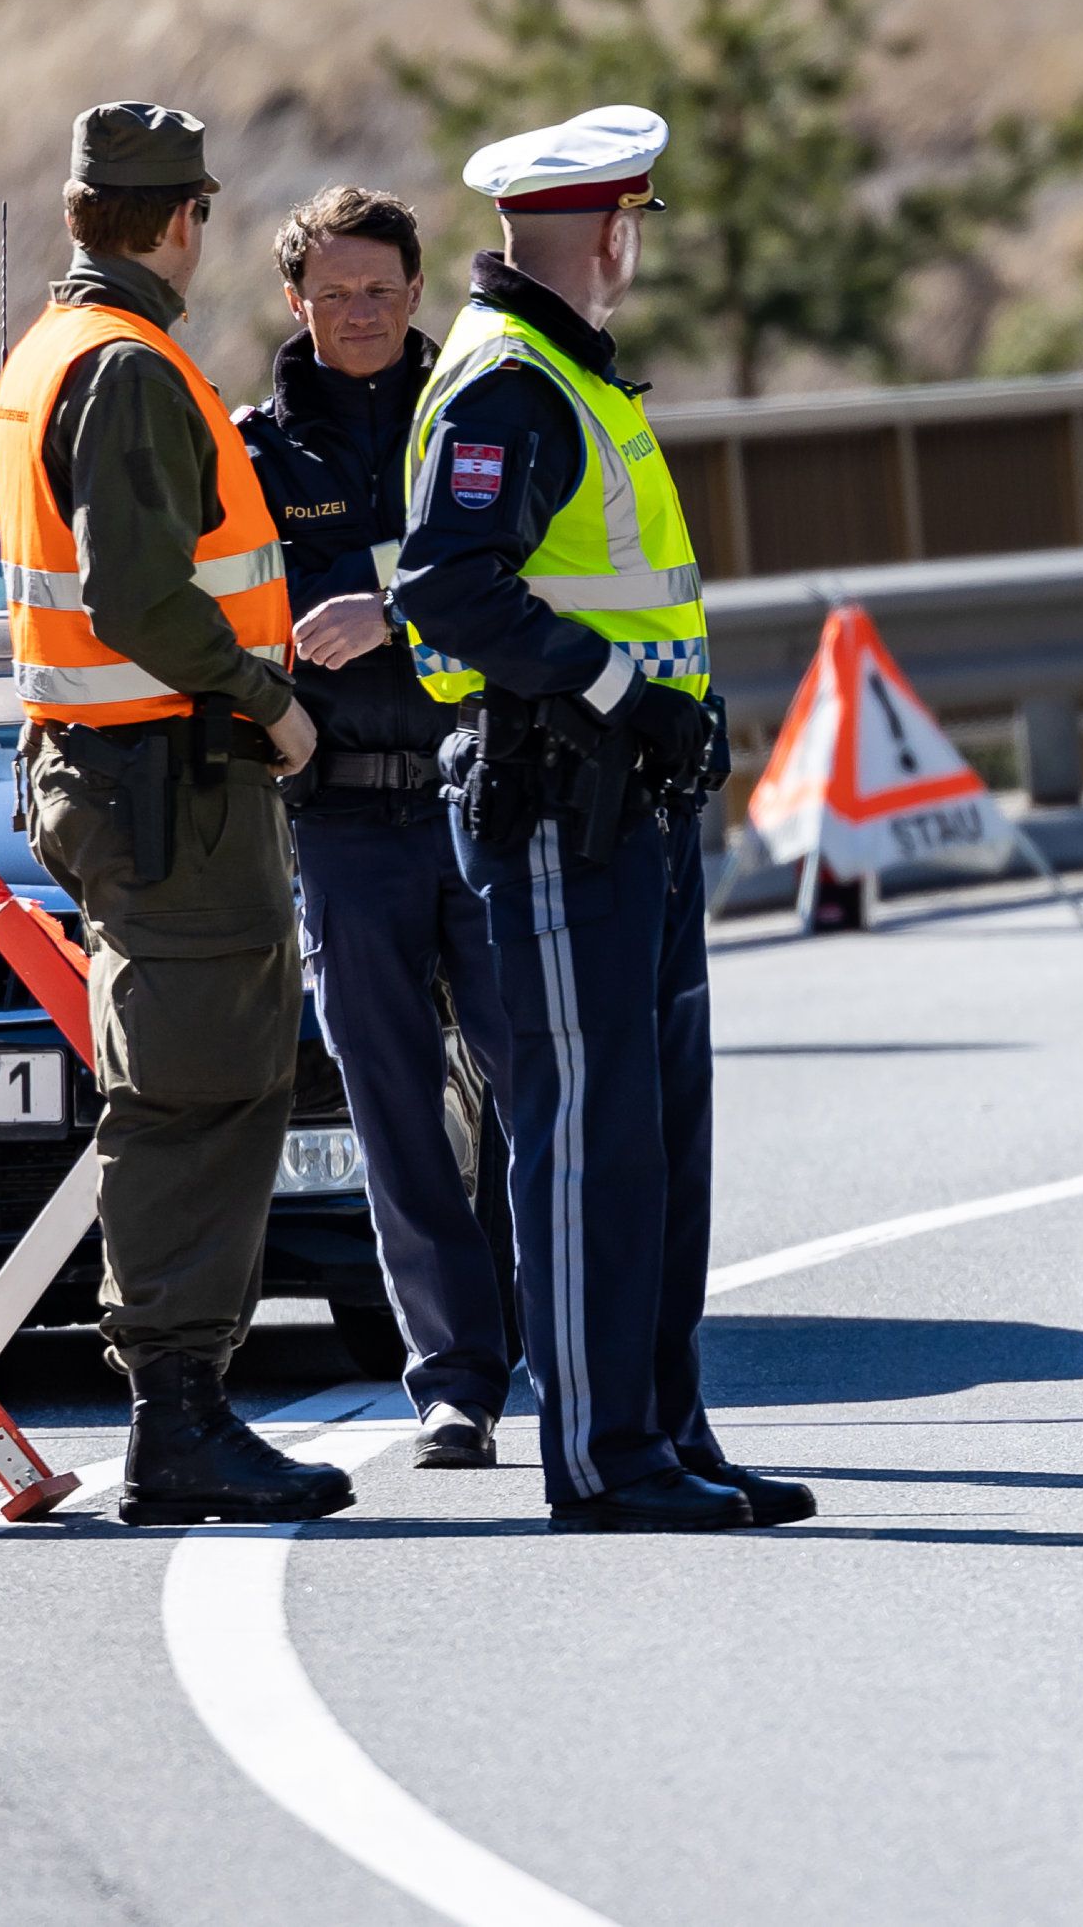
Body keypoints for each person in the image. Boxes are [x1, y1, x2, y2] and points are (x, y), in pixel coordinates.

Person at [391, 105, 813, 1534]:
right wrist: (623, 692)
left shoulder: (567, 374)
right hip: (561, 807)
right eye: (634, 222)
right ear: (612, 231)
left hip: (630, 807)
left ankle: (661, 1427)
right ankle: (601, 1456)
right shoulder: (508, 384)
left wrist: (650, 714)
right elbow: (448, 586)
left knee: (659, 1135)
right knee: (587, 1133)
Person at [0, 101, 351, 1526]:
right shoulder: (129, 369)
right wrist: (268, 698)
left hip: (123, 772)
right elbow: (140, 595)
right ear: (183, 217)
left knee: (189, 1082)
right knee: (202, 1091)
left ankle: (183, 1412)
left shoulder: (51, 353)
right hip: (172, 779)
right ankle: (180, 1420)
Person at [234, 185, 518, 1470]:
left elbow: (527, 573)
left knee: (543, 1091)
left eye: (384, 291)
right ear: (296, 303)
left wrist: (395, 612)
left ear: (419, 295)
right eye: (336, 293)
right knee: (396, 1113)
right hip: (342, 822)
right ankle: (453, 1379)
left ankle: (569, 1352)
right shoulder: (247, 456)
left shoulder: (477, 414)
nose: (362, 314)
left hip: (486, 796)